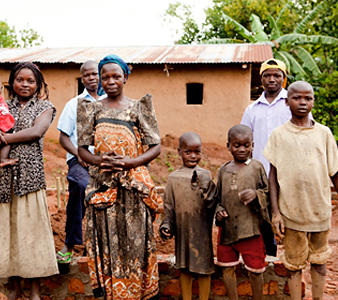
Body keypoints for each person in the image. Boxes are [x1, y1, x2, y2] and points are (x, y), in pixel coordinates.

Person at [77, 54, 161, 299]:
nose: (110, 81)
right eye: (105, 77)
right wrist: (98, 160)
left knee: (135, 244)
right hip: (102, 187)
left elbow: (155, 146)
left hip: (133, 188)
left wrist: (130, 162)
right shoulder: (91, 108)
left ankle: (137, 293)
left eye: (116, 76)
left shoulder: (138, 107)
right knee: (105, 243)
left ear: (126, 77)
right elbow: (82, 148)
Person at [0, 62, 58, 300]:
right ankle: (14, 287)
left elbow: (35, 132)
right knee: (6, 232)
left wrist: (2, 137)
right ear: (11, 82)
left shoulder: (45, 106)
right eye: (20, 80)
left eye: (31, 81)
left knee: (31, 234)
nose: (25, 84)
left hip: (29, 178)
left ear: (38, 85)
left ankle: (34, 289)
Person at [263, 81, 338, 300]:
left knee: (320, 262)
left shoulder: (324, 133)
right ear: (287, 102)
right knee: (293, 265)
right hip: (291, 214)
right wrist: (276, 212)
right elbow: (273, 176)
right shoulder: (279, 135)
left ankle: (317, 297)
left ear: (313, 101)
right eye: (297, 98)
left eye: (308, 98)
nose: (303, 102)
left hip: (319, 211)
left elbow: (335, 173)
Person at [56, 60, 106, 262]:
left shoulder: (110, 102)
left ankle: (100, 245)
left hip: (105, 161)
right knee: (79, 184)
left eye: (95, 74)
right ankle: (71, 242)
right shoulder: (74, 104)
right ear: (82, 79)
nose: (92, 78)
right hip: (80, 160)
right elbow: (63, 138)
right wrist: (79, 154)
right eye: (87, 75)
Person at [241, 58, 290, 256]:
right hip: (260, 176)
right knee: (263, 220)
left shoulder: (291, 103)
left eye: (276, 75)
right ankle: (268, 261)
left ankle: (291, 266)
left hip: (288, 174)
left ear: (283, 79)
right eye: (267, 75)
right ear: (261, 79)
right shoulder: (252, 110)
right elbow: (244, 141)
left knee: (289, 220)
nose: (272, 79)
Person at [215, 124, 269, 300]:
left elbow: (267, 193)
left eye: (246, 145)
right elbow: (217, 199)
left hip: (250, 229)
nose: (242, 149)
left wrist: (256, 194)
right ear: (228, 146)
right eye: (236, 145)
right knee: (227, 268)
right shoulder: (223, 171)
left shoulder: (256, 167)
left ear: (252, 145)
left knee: (255, 270)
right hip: (227, 230)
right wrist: (219, 210)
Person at [160, 132, 216, 300]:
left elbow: (213, 203)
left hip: (202, 232)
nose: (193, 156)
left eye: (197, 152)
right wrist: (166, 226)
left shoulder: (206, 175)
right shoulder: (173, 178)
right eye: (188, 152)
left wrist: (207, 190)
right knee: (185, 269)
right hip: (183, 232)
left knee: (204, 269)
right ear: (179, 152)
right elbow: (168, 207)